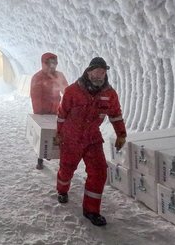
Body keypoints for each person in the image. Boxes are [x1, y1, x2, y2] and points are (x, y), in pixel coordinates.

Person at [55, 57, 127, 226]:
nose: (99, 76)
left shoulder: (109, 94)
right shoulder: (73, 91)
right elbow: (62, 114)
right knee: (67, 169)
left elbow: (115, 114)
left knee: (99, 172)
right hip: (71, 137)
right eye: (96, 72)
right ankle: (62, 190)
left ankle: (91, 211)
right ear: (88, 72)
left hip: (92, 138)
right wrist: (59, 134)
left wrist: (121, 134)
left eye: (102, 72)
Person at [30, 52, 69, 170]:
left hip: (56, 110)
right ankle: (40, 159)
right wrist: (40, 114)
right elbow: (35, 97)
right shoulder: (37, 78)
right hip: (42, 112)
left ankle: (58, 157)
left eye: (54, 63)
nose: (52, 66)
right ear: (43, 64)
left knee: (59, 134)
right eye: (49, 64)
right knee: (43, 135)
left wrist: (68, 107)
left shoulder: (59, 76)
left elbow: (66, 91)